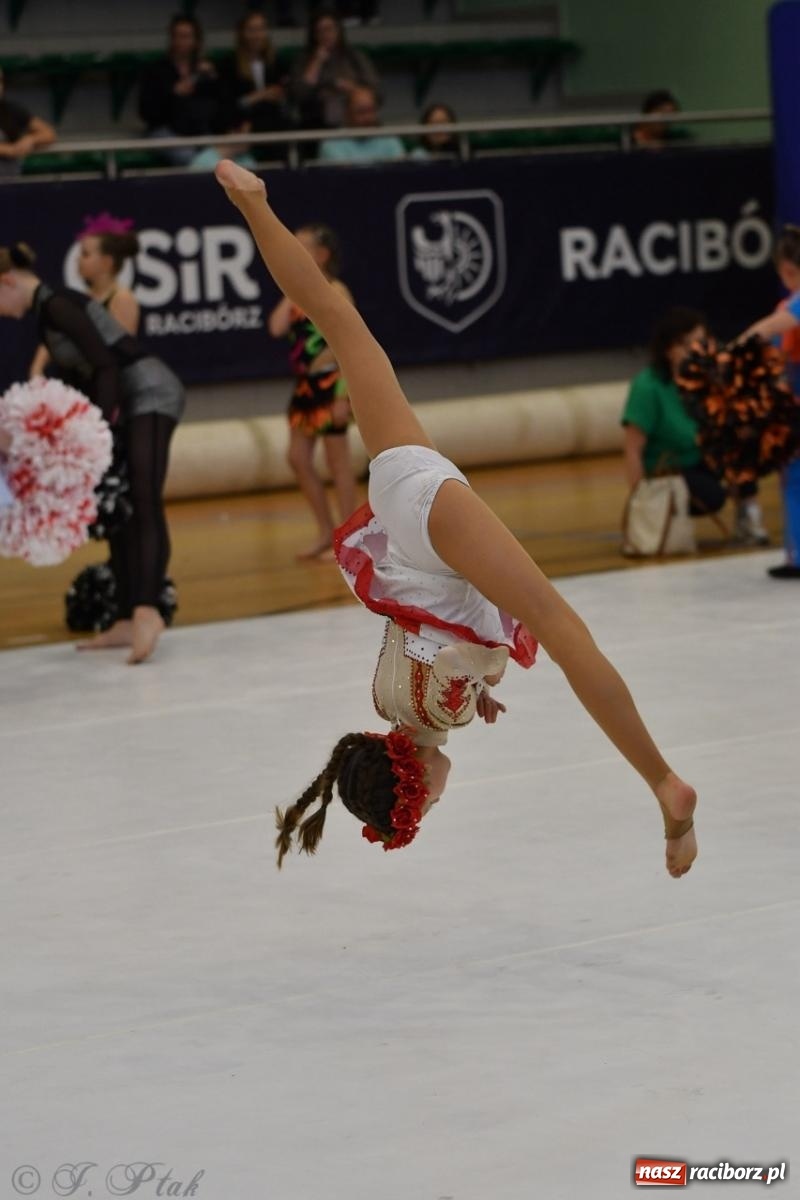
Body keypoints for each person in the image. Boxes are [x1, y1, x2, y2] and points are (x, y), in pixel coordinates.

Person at [215, 159, 698, 880]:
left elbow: (461, 653)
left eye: (428, 805)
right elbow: (433, 648)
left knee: (564, 631)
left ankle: (663, 782)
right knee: (341, 323)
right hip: (399, 510)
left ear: (412, 781)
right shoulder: (394, 706)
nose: (442, 799)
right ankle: (255, 205)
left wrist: (481, 678)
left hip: (432, 534)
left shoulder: (439, 718)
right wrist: (476, 684)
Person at [0, 242, 184, 663]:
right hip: (123, 401)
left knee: (142, 498)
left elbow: (106, 365)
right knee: (117, 510)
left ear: (7, 281)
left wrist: (99, 429)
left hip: (151, 392)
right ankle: (122, 616)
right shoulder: (46, 311)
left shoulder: (58, 304)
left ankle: (147, 609)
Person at [622, 307, 768, 543]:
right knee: (712, 495)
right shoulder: (648, 387)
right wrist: (640, 501)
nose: (696, 351)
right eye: (687, 345)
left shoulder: (710, 378)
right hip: (666, 471)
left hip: (701, 457)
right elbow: (632, 449)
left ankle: (748, 517)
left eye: (702, 342)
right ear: (669, 350)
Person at [267, 223, 358, 559]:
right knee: (297, 458)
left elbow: (349, 342)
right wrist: (291, 289)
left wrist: (342, 395)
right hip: (305, 386)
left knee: (338, 464)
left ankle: (351, 540)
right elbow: (276, 327)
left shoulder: (336, 290)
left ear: (322, 255)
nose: (294, 252)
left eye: (301, 248)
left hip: (331, 380)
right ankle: (325, 532)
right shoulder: (296, 292)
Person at [742, 225, 800, 578]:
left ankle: (797, 555)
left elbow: (774, 326)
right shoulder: (787, 304)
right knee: (792, 478)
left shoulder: (791, 307)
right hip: (793, 404)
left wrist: (736, 345)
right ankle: (795, 554)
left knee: (793, 479)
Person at [30, 213, 140, 379]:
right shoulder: (80, 298)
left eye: (85, 254)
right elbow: (56, 335)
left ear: (106, 262)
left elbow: (121, 351)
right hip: (79, 380)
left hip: (107, 384)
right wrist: (36, 369)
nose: (78, 260)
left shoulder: (122, 298)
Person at [138, 14, 221, 166]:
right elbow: (146, 112)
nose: (181, 41)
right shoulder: (157, 70)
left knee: (226, 157)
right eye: (177, 36)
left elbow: (219, 105)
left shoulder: (206, 71)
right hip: (165, 130)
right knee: (189, 157)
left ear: (196, 40)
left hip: (199, 130)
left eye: (187, 36)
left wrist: (213, 78)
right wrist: (173, 93)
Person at [289, 5, 380, 130]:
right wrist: (317, 61)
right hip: (317, 122)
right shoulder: (304, 59)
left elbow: (377, 93)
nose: (325, 35)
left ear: (338, 30)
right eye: (320, 31)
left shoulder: (355, 56)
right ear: (314, 35)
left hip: (357, 119)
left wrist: (352, 89)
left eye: (329, 29)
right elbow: (299, 95)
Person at [218, 11, 292, 148]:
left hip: (274, 124)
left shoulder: (278, 63)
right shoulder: (229, 64)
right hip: (243, 124)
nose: (257, 35)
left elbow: (287, 98)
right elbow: (227, 105)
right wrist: (260, 96)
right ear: (242, 33)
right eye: (251, 30)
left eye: (261, 29)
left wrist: (280, 96)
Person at [317, 85, 405, 164]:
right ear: (347, 114)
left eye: (371, 110)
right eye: (361, 112)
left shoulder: (390, 139)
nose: (368, 118)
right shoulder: (331, 144)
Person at [0, 66, 56, 179]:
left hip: (8, 182)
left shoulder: (11, 110)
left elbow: (49, 133)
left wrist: (30, 139)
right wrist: (7, 150)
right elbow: (10, 150)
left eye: (0, 81)